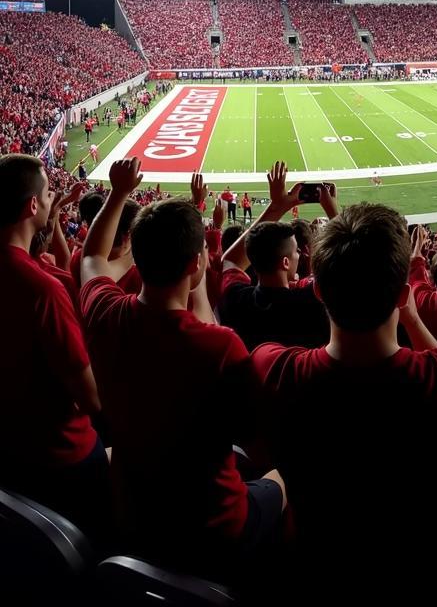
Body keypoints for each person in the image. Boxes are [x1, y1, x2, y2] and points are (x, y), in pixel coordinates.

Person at [247, 201, 437, 598]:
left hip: (315, 568)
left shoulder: (272, 369)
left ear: (319, 290)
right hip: (436, 572)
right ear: (402, 295)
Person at [79, 159, 285, 571]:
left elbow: (92, 258)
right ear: (194, 264)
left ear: (136, 259)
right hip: (212, 528)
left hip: (129, 514)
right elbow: (253, 435)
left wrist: (118, 193)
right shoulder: (219, 345)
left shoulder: (104, 312)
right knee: (287, 474)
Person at [0, 154, 108, 536]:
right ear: (32, 205)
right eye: (47, 195)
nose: (51, 201)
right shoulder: (42, 289)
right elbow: (91, 398)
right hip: (59, 455)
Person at [219, 166, 335, 351]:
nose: (299, 255)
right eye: (296, 251)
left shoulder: (237, 299)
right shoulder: (313, 300)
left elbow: (230, 261)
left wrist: (277, 206)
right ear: (285, 262)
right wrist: (331, 209)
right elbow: (352, 264)